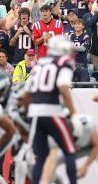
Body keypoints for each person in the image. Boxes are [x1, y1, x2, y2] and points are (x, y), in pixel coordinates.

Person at [24, 35, 81, 184]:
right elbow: (63, 87)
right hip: (51, 111)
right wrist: (74, 116)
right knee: (69, 150)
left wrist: (27, 112)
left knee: (41, 157)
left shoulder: (41, 62)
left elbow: (26, 92)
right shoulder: (63, 62)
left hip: (34, 113)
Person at [41, 114, 98, 184]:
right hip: (78, 147)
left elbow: (97, 146)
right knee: (54, 161)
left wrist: (85, 166)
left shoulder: (86, 123)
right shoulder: (56, 131)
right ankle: (58, 182)